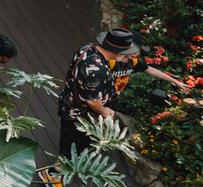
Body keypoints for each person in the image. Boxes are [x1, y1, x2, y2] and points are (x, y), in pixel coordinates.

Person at [56, 28, 141, 157]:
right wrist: (104, 111)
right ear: (118, 52)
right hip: (78, 115)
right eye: (126, 53)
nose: (128, 56)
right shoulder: (98, 71)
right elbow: (92, 101)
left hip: (68, 102)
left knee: (74, 146)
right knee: (69, 151)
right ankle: (53, 175)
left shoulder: (88, 48)